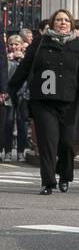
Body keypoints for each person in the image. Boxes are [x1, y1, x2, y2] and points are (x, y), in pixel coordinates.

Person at [6, 9, 79, 194]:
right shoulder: (40, 43)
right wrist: (11, 89)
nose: (62, 23)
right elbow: (25, 67)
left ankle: (65, 176)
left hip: (70, 102)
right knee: (48, 142)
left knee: (68, 143)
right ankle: (48, 181)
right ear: (52, 23)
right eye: (59, 20)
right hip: (44, 102)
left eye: (66, 20)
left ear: (71, 24)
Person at [3, 34, 30, 162]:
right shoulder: (5, 58)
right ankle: (7, 151)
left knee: (22, 123)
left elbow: (29, 75)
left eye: (16, 44)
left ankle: (21, 151)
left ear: (21, 45)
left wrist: (22, 60)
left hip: (23, 94)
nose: (14, 47)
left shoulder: (26, 58)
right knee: (8, 123)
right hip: (9, 94)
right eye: (11, 44)